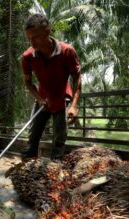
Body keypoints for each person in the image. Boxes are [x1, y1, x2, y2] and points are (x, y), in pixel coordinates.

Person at [21, 14, 82, 160]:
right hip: (42, 98)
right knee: (34, 133)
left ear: (47, 31)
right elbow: (28, 82)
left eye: (35, 37)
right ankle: (29, 158)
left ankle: (56, 163)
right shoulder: (27, 57)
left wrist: (74, 105)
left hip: (62, 98)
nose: (31, 42)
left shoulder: (67, 51)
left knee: (59, 136)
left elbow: (76, 78)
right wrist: (39, 99)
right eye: (29, 38)